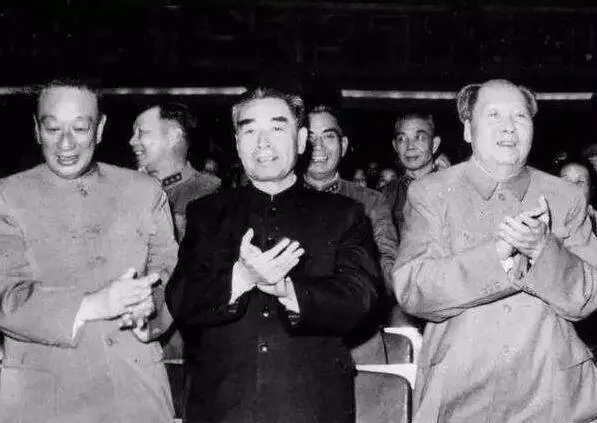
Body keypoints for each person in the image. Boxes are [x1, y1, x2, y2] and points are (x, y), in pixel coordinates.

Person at [166, 87, 380, 423]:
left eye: (277, 128)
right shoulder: (206, 214)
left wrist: (290, 291)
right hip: (223, 406)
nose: (262, 143)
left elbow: (361, 298)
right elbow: (180, 299)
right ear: (238, 144)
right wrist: (241, 278)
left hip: (311, 407)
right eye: (250, 131)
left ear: (301, 140)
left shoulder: (344, 215)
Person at [393, 79, 597, 422]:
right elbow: (413, 289)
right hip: (461, 394)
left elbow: (589, 295)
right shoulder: (431, 193)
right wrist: (498, 256)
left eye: (520, 116)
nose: (508, 127)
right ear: (468, 130)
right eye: (493, 115)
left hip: (553, 395)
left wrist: (543, 251)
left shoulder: (566, 196)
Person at [0, 80, 178, 422]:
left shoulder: (145, 191)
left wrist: (150, 309)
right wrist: (94, 305)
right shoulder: (7, 196)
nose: (66, 143)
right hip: (41, 400)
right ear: (36, 129)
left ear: (100, 129)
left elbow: (170, 272)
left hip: (135, 394)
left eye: (80, 128)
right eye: (53, 128)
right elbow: (6, 295)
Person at [129, 102, 220, 240]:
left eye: (143, 132)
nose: (132, 141)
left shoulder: (208, 191)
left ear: (173, 137)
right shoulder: (129, 188)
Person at [382, 112, 441, 230]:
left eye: (419, 138)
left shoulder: (453, 189)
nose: (410, 146)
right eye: (402, 139)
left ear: (434, 145)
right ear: (395, 146)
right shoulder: (385, 196)